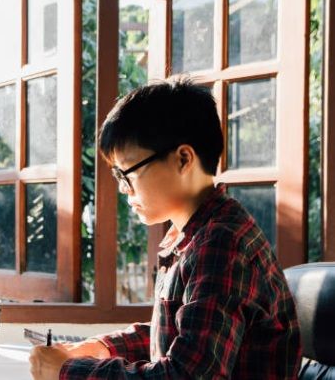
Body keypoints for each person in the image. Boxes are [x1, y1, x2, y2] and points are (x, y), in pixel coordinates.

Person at [29, 79, 302, 379]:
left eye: (127, 172)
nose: (122, 188)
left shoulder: (223, 243)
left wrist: (68, 371)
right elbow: (179, 334)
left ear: (183, 159)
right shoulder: (195, 236)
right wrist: (101, 347)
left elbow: (186, 374)